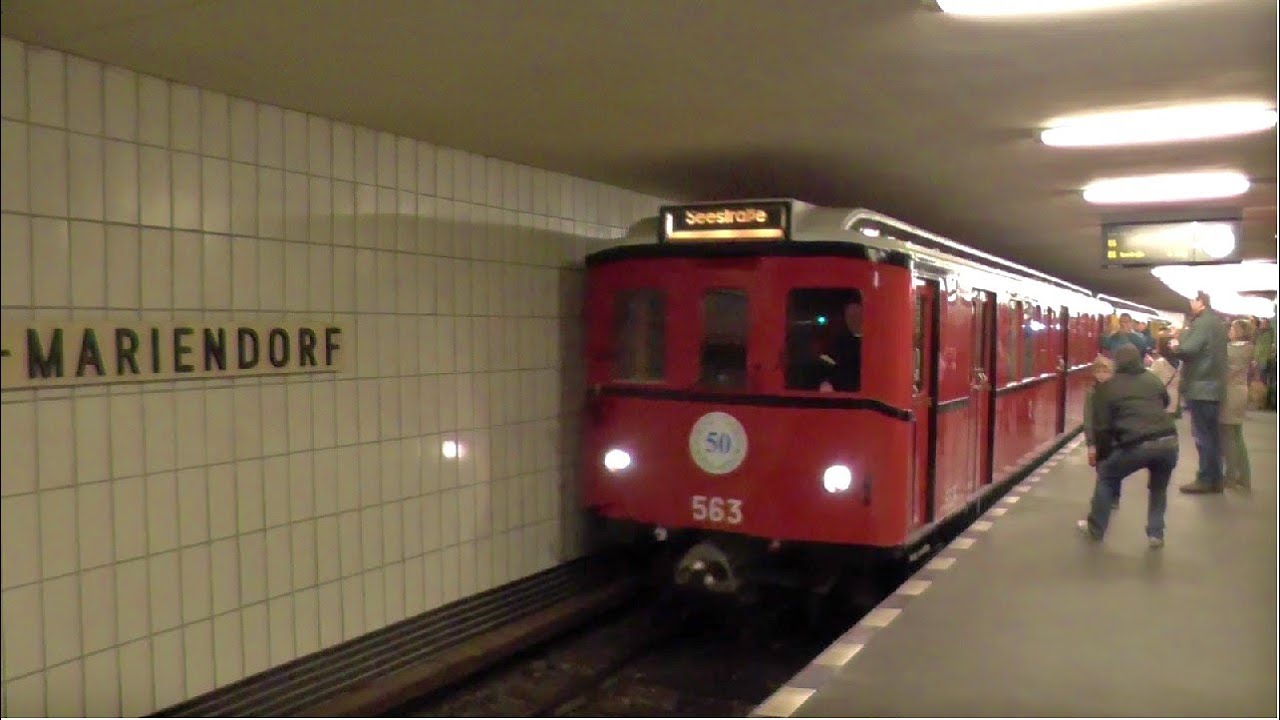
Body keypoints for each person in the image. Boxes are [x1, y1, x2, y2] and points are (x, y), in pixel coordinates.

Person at [1077, 343, 1179, 548]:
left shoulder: (1109, 387)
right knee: (1158, 488)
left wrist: (1103, 455)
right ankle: (1155, 533)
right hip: (1169, 441)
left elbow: (1102, 426)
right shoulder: (1152, 379)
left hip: (1136, 444)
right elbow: (1165, 402)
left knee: (1107, 476)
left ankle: (1095, 529)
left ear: (1116, 362)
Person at [1169, 291, 1229, 494]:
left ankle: (1205, 478)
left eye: (1191, 300)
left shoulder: (1203, 323)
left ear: (1200, 302)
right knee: (1212, 436)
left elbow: (1189, 349)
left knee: (1203, 436)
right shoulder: (1216, 322)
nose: (1189, 303)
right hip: (1212, 386)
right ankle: (1216, 478)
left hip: (1201, 387)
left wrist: (1176, 342)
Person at [1221, 319, 1255, 491]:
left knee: (1228, 437)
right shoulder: (1249, 348)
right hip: (1242, 391)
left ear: (1239, 331)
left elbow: (1226, 372)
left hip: (1230, 393)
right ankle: (1244, 476)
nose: (1230, 331)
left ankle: (1230, 476)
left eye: (1232, 328)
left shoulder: (1232, 349)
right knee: (1237, 435)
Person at [1082, 354, 1119, 508]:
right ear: (1094, 373)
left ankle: (1114, 497)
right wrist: (1090, 443)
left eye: (1106, 372)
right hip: (1099, 437)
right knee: (1101, 469)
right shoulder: (1091, 393)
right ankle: (1104, 496)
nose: (1102, 375)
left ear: (1112, 373)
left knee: (1115, 468)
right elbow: (1088, 418)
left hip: (1115, 437)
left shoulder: (1118, 392)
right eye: (1099, 371)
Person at [818, 298, 863, 393]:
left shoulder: (875, 344)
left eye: (857, 314)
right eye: (849, 315)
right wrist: (827, 382)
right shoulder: (839, 344)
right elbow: (827, 366)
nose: (853, 319)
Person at [1255, 317, 1276, 410]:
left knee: (1265, 382)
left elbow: (1266, 349)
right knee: (1263, 382)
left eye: (1263, 323)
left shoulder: (1269, 335)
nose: (1261, 325)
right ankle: (1263, 402)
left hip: (1265, 361)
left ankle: (1268, 402)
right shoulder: (1260, 334)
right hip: (1261, 360)